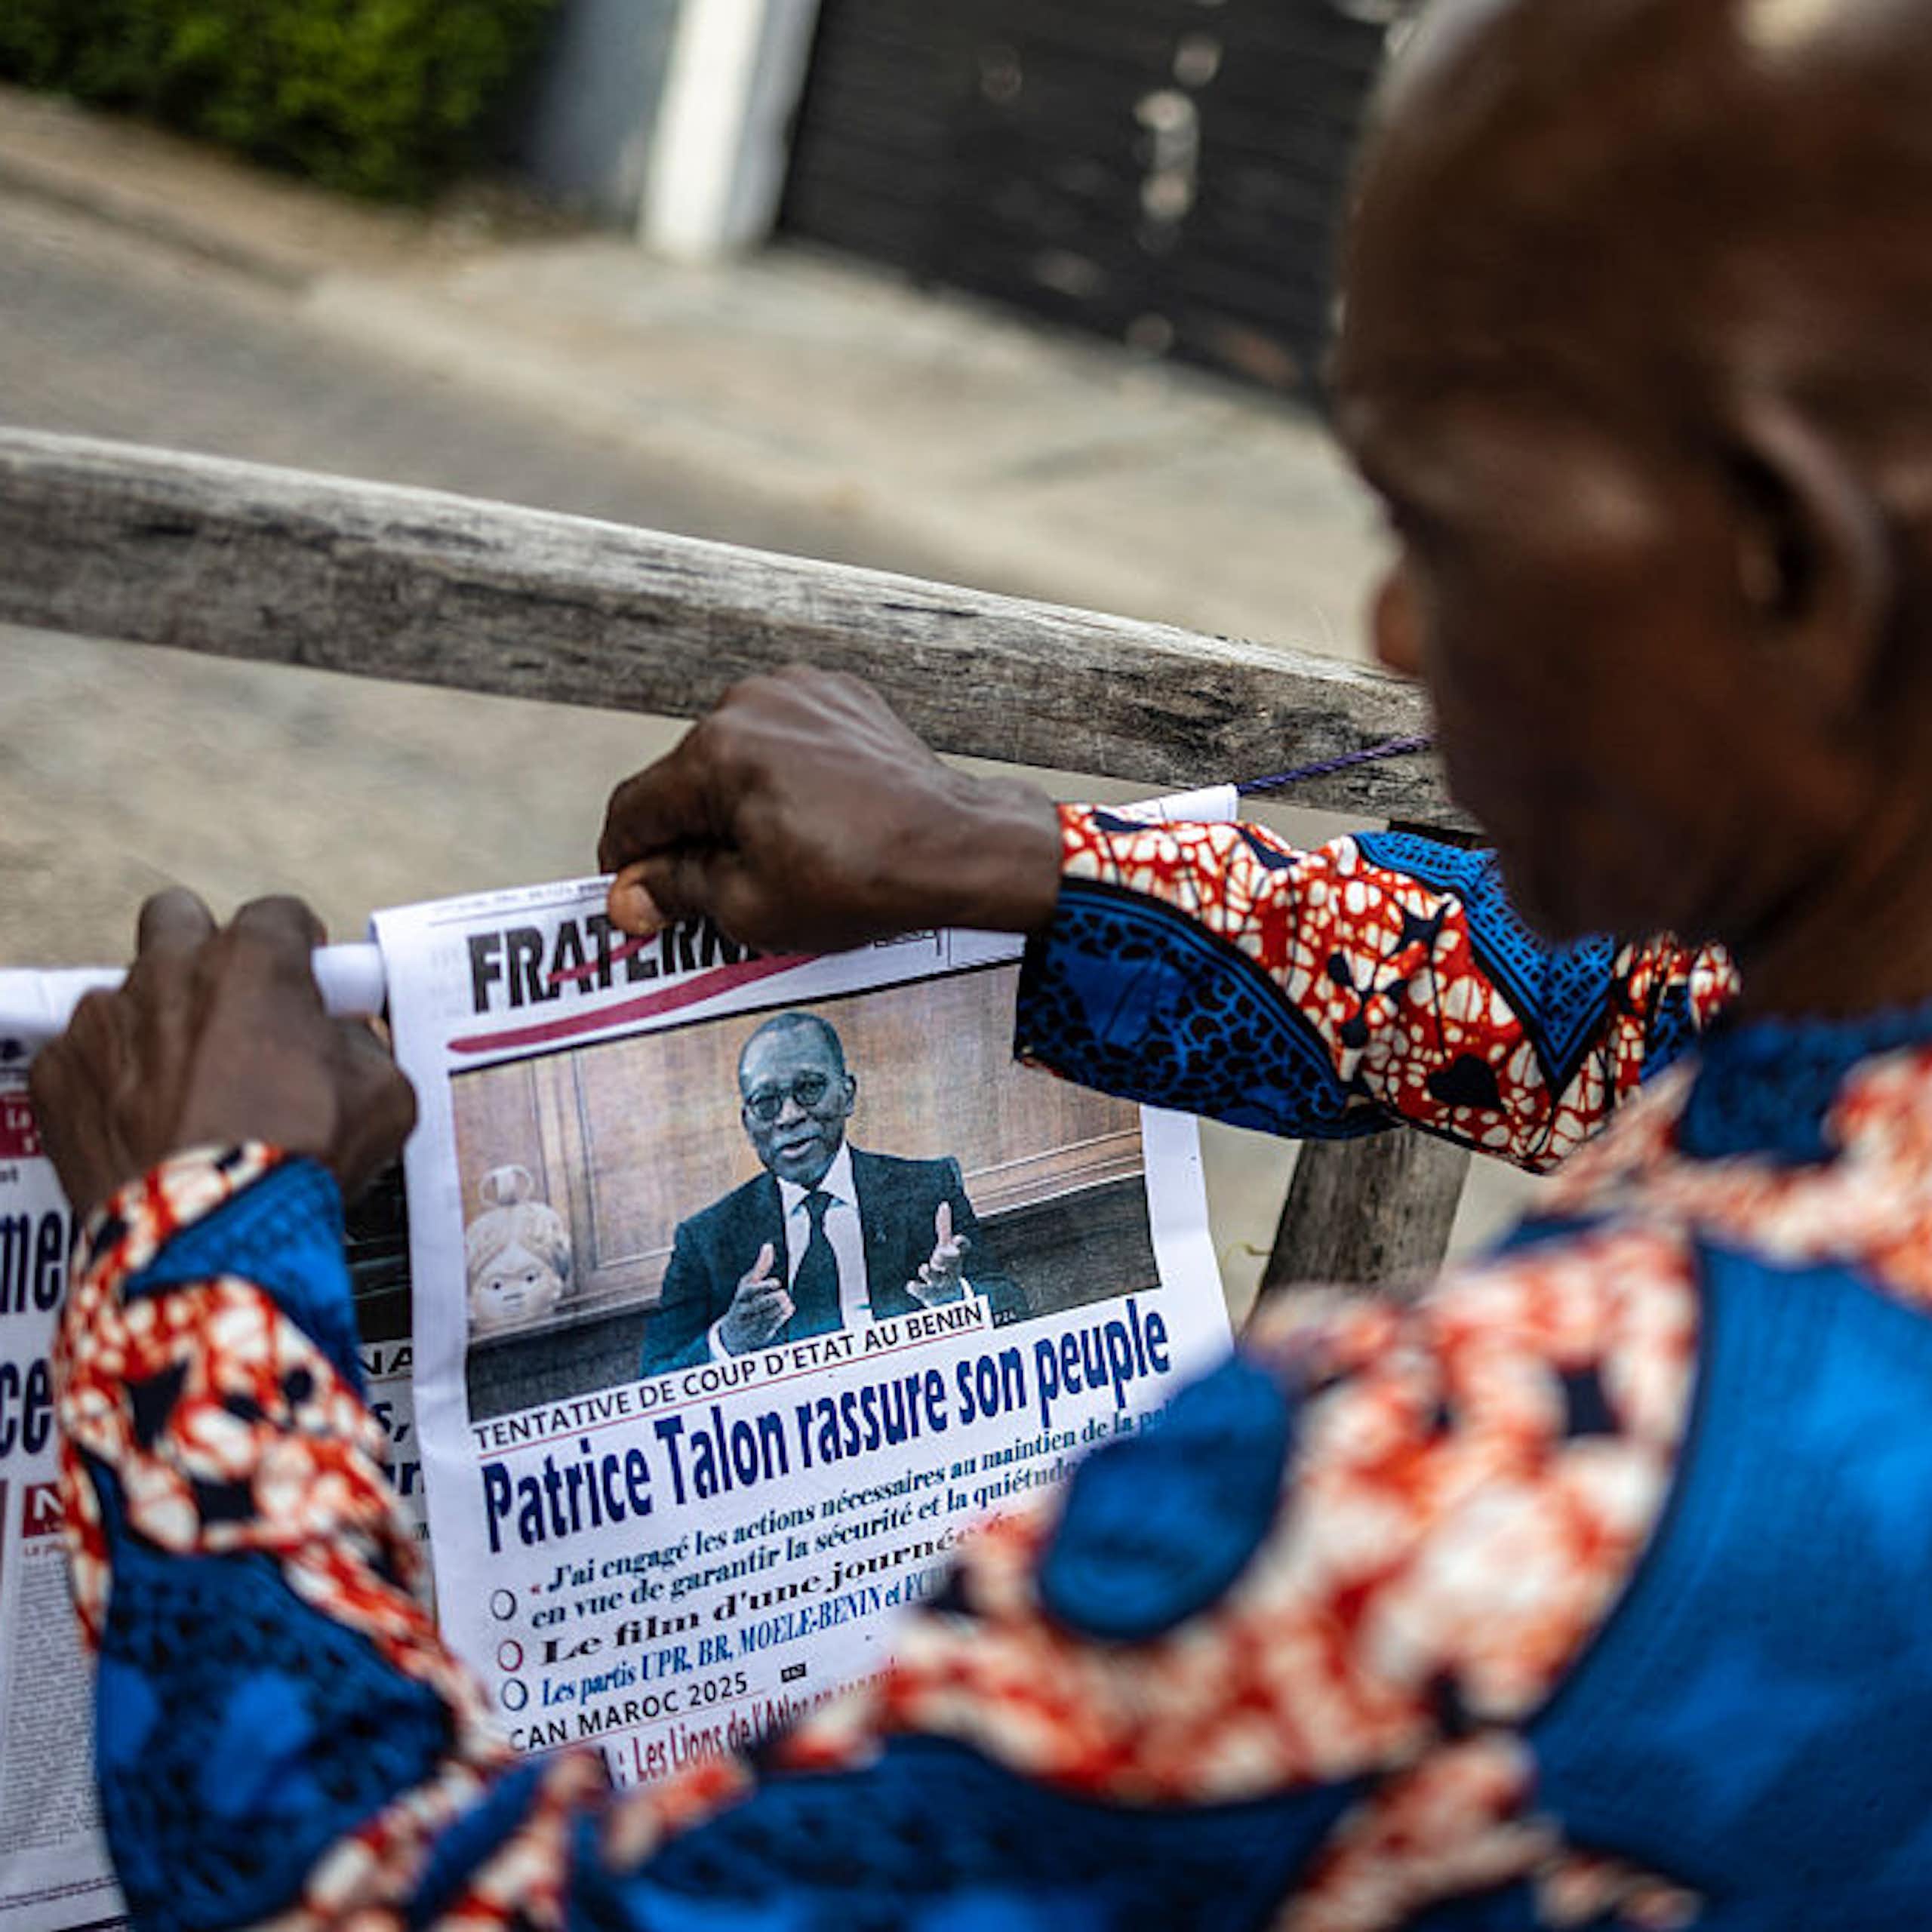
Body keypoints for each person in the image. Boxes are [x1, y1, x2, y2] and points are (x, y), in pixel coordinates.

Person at [34, 0, 1932, 1923]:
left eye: (1434, 508)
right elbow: (1609, 1006)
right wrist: (1010, 859)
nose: (1382, 616)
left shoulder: (1456, 1504)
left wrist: (197, 1259)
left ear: (1784, 557)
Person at [640, 1009, 1023, 1375]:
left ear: (848, 1094)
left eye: (809, 1088)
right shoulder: (706, 1239)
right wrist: (728, 1341)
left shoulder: (928, 1190)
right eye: (766, 1102)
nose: (789, 1115)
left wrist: (955, 1301)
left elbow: (1013, 1308)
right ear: (747, 1122)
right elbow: (655, 1379)